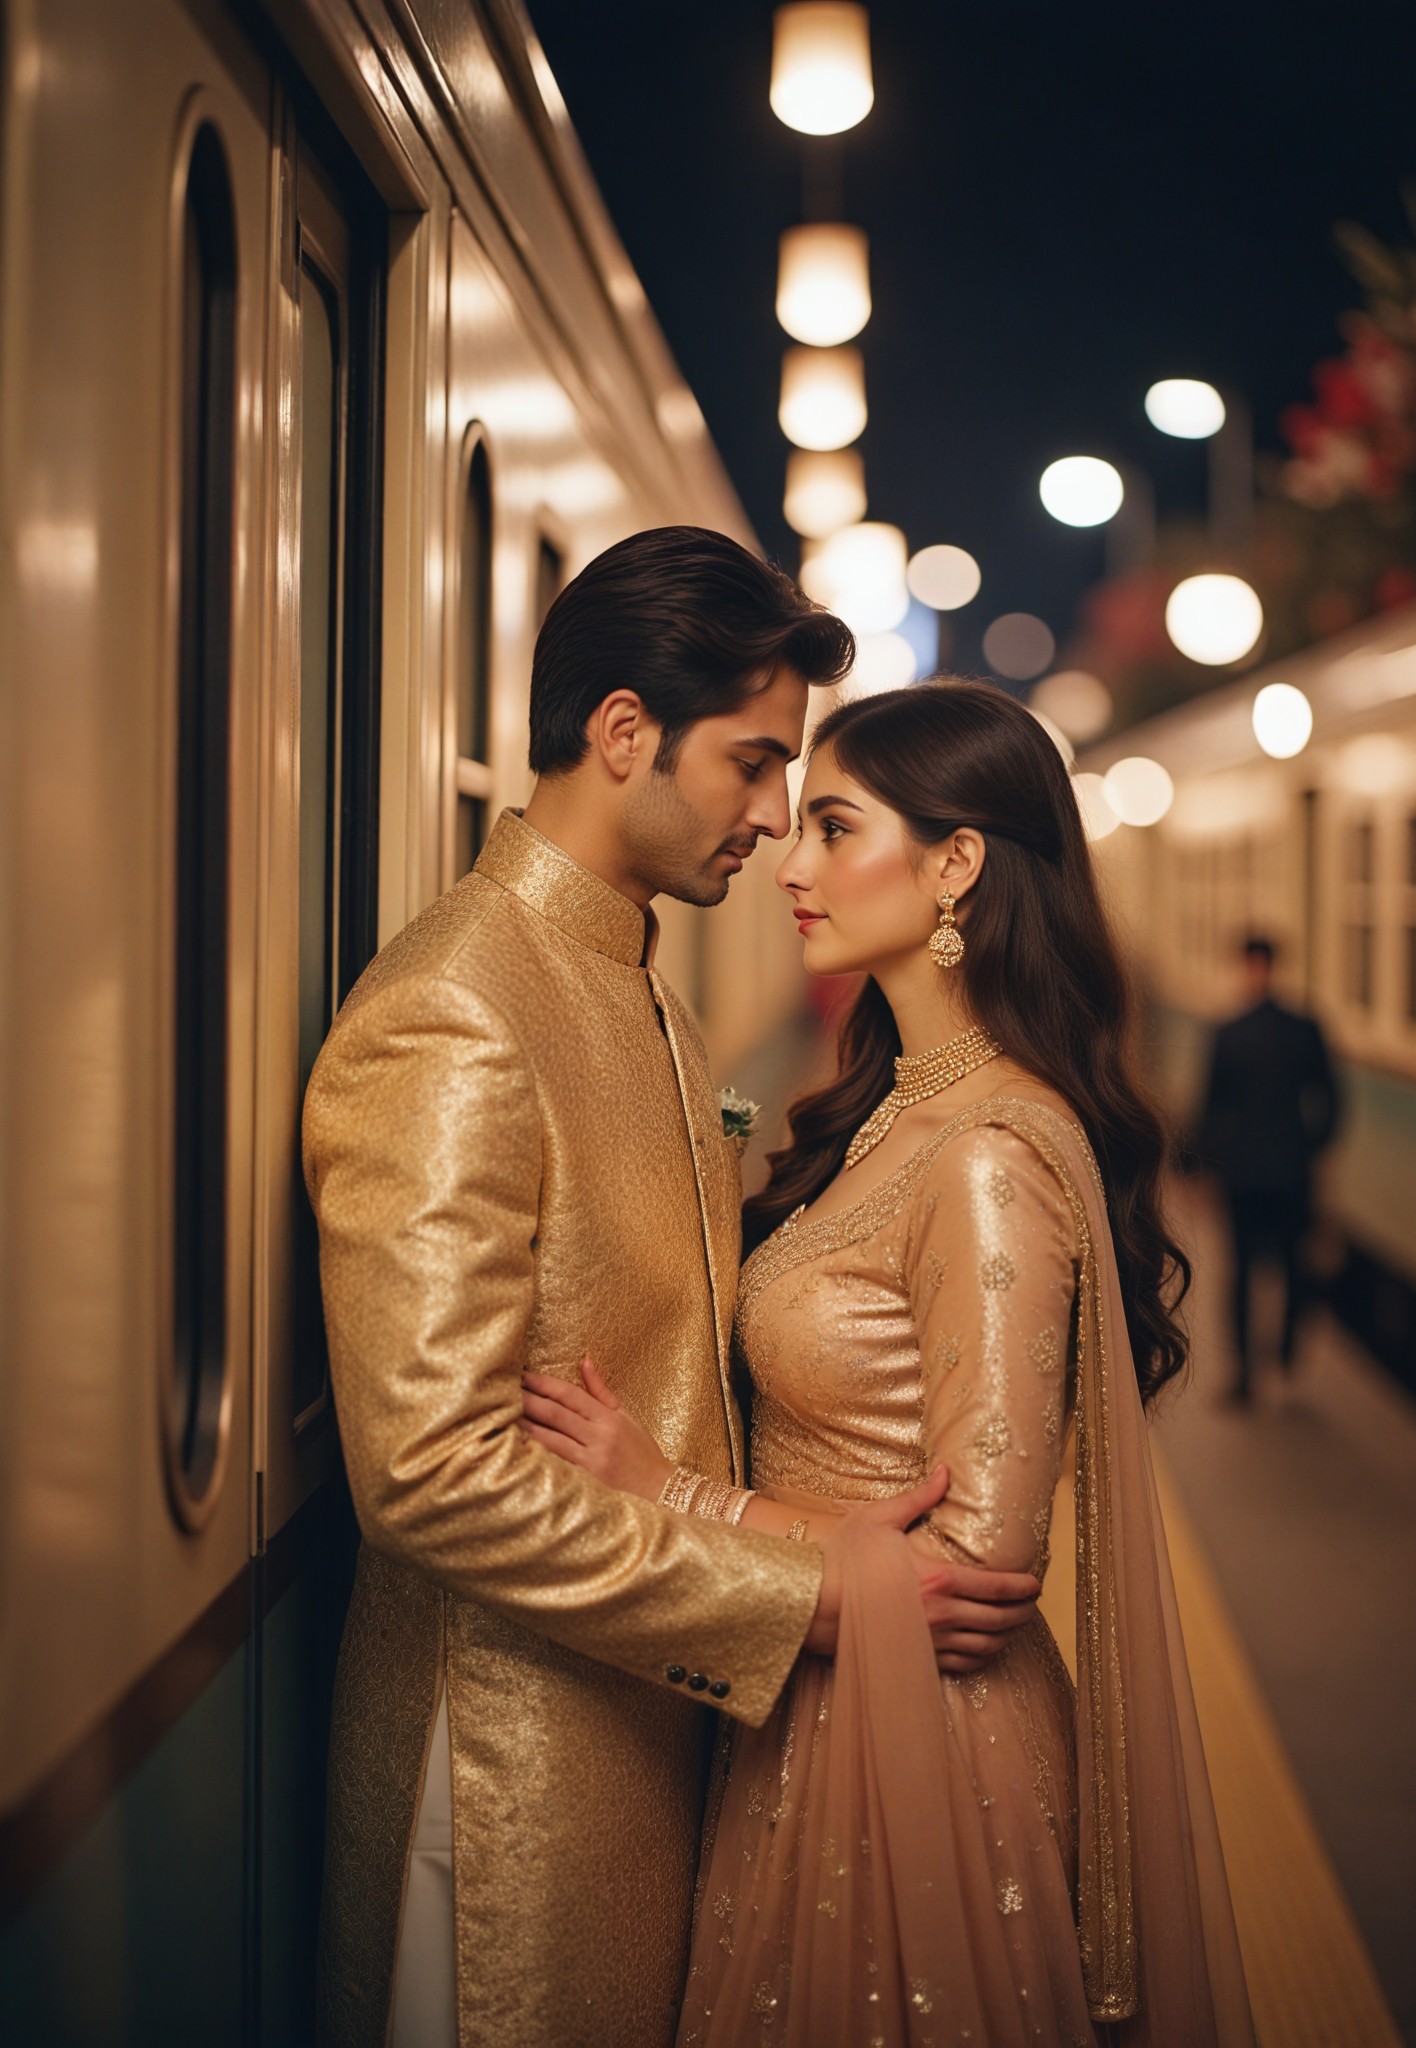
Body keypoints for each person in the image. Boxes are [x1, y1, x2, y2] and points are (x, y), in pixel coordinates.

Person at [303, 531, 1042, 2048]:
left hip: (657, 1726)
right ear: (625, 731)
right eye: (754, 764)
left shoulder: (636, 982)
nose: (777, 823)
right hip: (512, 1774)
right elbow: (435, 1482)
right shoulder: (456, 1012)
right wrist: (812, 1586)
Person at [530, 679, 1256, 2045]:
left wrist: (665, 1491)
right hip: (825, 1707)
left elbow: (975, 1569)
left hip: (926, 1759)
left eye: (833, 828)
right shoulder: (895, 1107)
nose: (789, 866)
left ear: (958, 862)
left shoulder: (987, 1157)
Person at [1196, 935, 1340, 1401]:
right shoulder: (1304, 1029)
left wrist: (1209, 1161)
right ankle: (1282, 1357)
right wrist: (1310, 1145)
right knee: (1293, 1267)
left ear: (1247, 967)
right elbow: (1332, 1099)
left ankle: (1244, 1374)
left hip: (1242, 1172)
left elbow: (1211, 1108)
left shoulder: (1228, 1032)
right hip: (1291, 1171)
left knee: (1240, 1272)